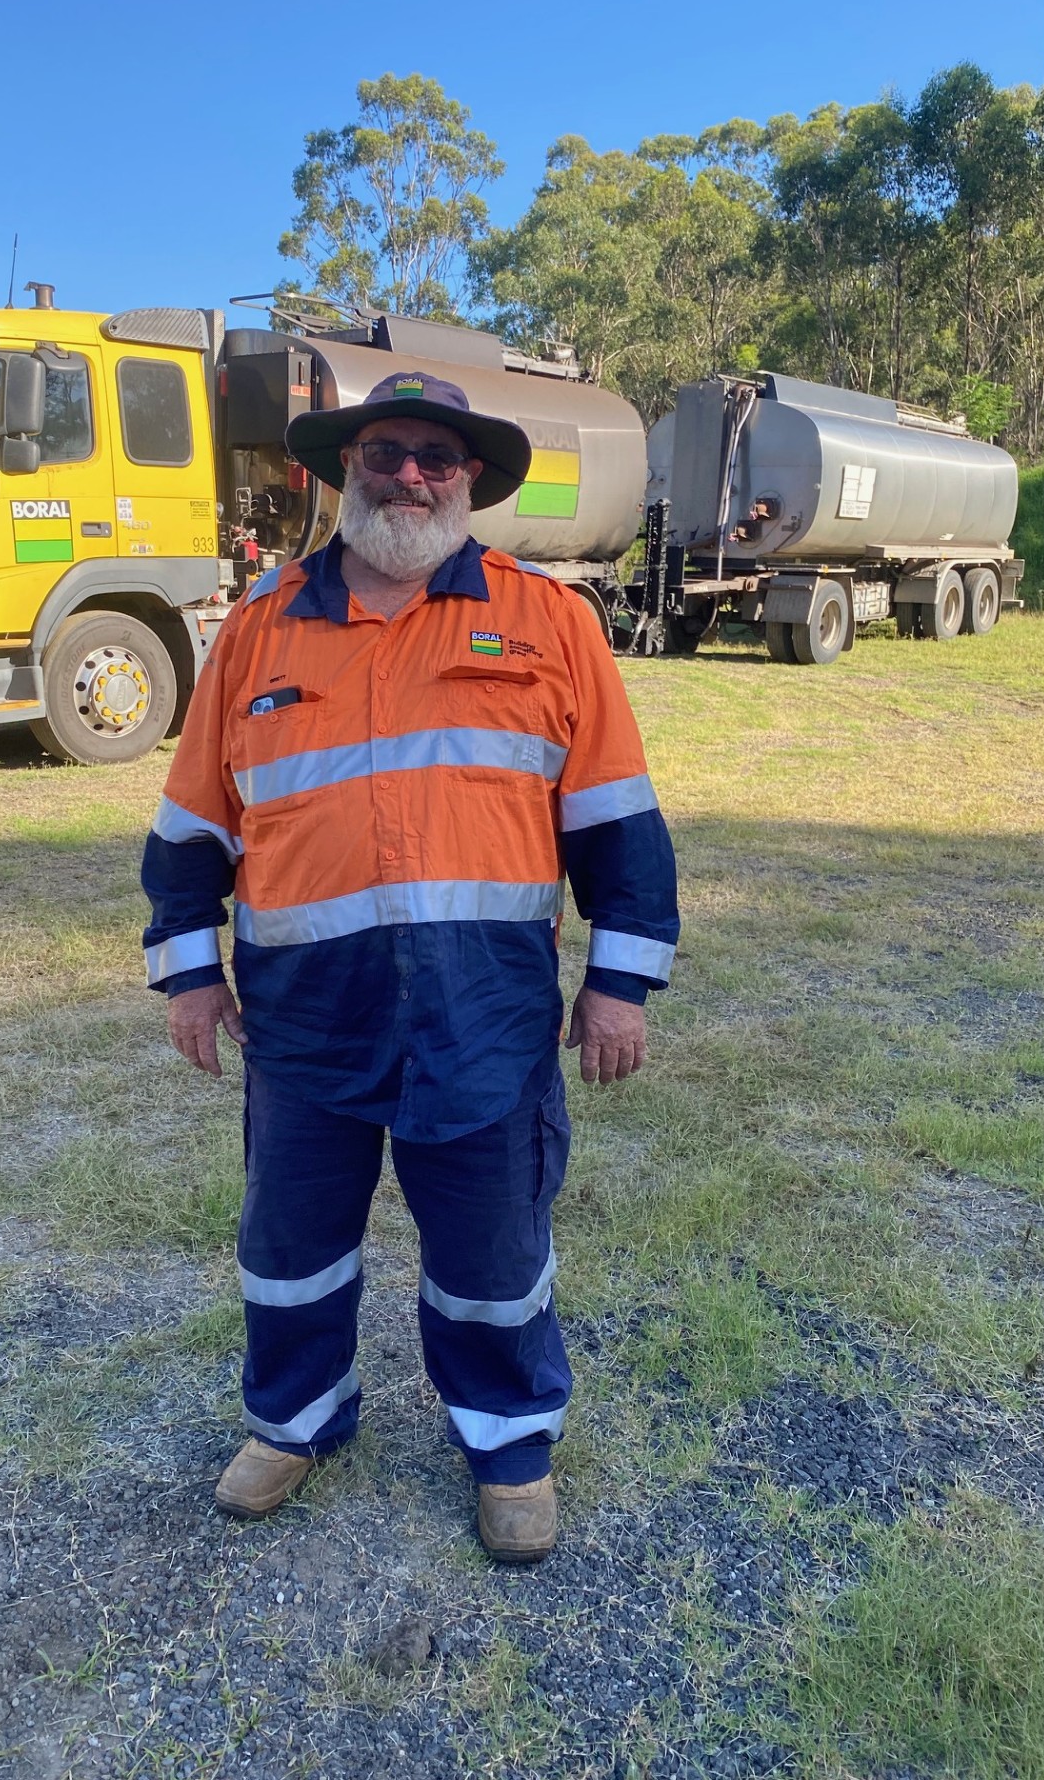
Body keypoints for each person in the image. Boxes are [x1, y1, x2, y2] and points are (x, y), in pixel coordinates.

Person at [142, 370, 678, 1563]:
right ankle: (294, 1421)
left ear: (471, 478)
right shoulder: (259, 628)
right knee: (290, 1248)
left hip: (483, 1015)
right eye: (386, 452)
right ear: (347, 467)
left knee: (494, 1255)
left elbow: (614, 816)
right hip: (304, 1019)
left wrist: (620, 983)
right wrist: (187, 970)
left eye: (438, 457)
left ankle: (510, 1443)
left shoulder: (550, 623)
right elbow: (193, 822)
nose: (411, 476)